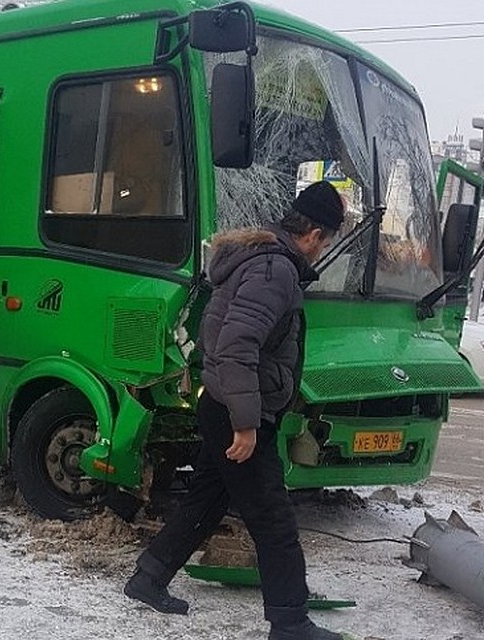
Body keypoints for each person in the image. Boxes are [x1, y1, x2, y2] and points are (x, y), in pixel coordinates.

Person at [124, 181, 347, 640]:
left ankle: (148, 578)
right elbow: (237, 345)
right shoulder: (274, 271)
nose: (322, 250)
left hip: (224, 403)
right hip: (236, 412)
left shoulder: (263, 260)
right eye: (325, 241)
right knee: (274, 518)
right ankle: (290, 622)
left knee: (209, 496)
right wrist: (245, 425)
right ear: (314, 234)